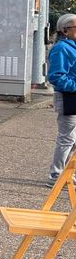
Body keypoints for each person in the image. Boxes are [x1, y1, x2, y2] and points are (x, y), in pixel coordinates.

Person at [45, 12, 76, 186]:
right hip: (68, 97)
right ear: (65, 30)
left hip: (72, 95)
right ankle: (56, 177)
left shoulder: (72, 46)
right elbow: (56, 76)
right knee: (67, 138)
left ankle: (67, 175)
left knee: (72, 139)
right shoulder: (61, 48)